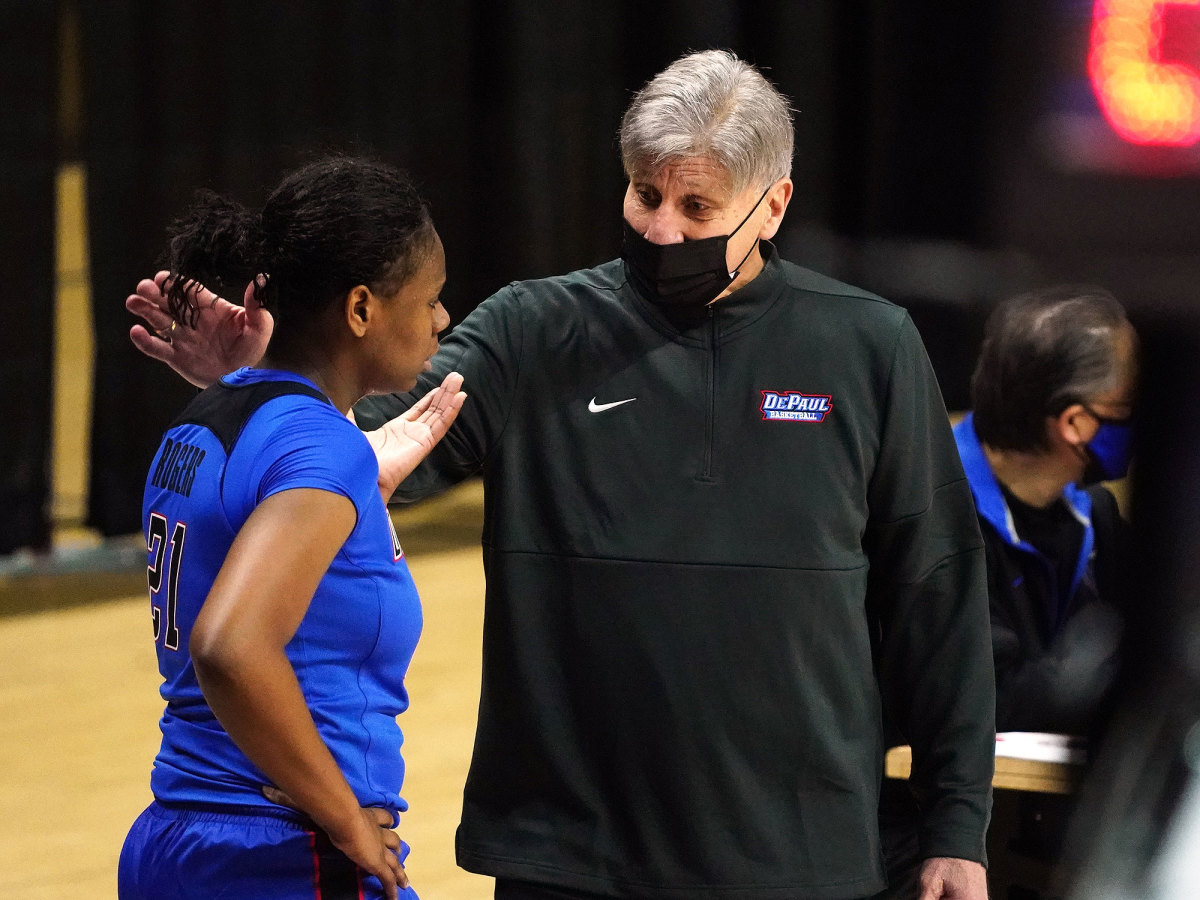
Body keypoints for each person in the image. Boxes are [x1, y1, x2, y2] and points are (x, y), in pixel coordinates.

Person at [128, 51, 995, 900]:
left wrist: (958, 826)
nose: (660, 227)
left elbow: (939, 593)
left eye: (697, 207)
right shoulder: (531, 329)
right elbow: (363, 447)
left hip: (799, 854)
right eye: (645, 194)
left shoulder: (869, 346)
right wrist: (265, 382)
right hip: (568, 856)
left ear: (772, 207)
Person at [118, 156, 467, 900]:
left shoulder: (200, 422)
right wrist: (346, 822)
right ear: (362, 309)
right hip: (281, 853)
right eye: (431, 299)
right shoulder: (320, 448)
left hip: (176, 838)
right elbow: (231, 645)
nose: (442, 320)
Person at [960, 286, 1136, 892]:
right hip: (940, 844)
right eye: (1133, 402)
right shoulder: (924, 515)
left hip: (1063, 832)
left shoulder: (1096, 519)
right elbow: (990, 699)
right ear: (1075, 424)